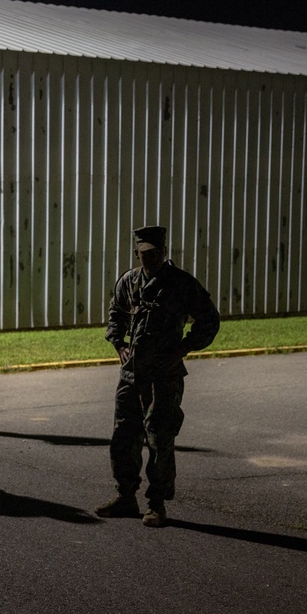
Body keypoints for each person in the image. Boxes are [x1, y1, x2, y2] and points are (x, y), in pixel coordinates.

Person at [96, 225, 220, 528]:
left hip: (164, 375)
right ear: (136, 253)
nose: (149, 258)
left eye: (155, 253)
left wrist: (184, 348)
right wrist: (118, 343)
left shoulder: (181, 284)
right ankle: (126, 496)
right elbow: (117, 313)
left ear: (164, 252)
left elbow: (209, 320)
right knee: (124, 436)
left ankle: (156, 504)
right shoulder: (128, 281)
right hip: (131, 374)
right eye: (143, 254)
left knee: (159, 438)